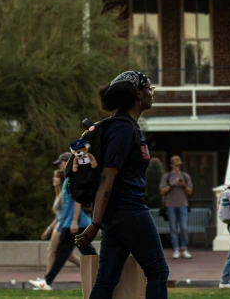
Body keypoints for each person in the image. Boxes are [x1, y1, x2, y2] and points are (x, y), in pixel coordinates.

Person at [75, 71, 169, 299]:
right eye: (148, 87)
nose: (152, 91)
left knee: (106, 279)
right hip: (128, 210)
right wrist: (95, 222)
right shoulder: (123, 129)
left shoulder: (123, 126)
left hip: (116, 213)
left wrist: (100, 220)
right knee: (157, 271)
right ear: (138, 94)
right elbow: (107, 177)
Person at [28, 167, 97, 290]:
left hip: (74, 225)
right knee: (87, 253)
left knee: (61, 253)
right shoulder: (66, 181)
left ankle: (47, 282)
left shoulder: (72, 180)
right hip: (69, 224)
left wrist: (74, 222)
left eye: (61, 163)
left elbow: (77, 201)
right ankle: (106, 273)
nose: (59, 166)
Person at [40, 168, 80, 273]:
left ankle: (47, 281)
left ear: (61, 179)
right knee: (69, 256)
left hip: (62, 227)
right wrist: (48, 229)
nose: (54, 179)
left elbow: (64, 215)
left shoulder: (63, 195)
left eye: (57, 177)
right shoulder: (59, 194)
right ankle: (92, 269)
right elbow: (58, 216)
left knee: (51, 251)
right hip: (59, 225)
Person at [159, 155, 193, 259]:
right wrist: (171, 184)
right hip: (170, 206)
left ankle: (184, 248)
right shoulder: (167, 176)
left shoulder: (185, 176)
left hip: (183, 205)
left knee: (184, 227)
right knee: (173, 228)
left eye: (179, 165)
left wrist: (183, 184)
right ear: (171, 165)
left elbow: (190, 192)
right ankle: (176, 249)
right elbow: (162, 191)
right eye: (175, 165)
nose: (177, 167)